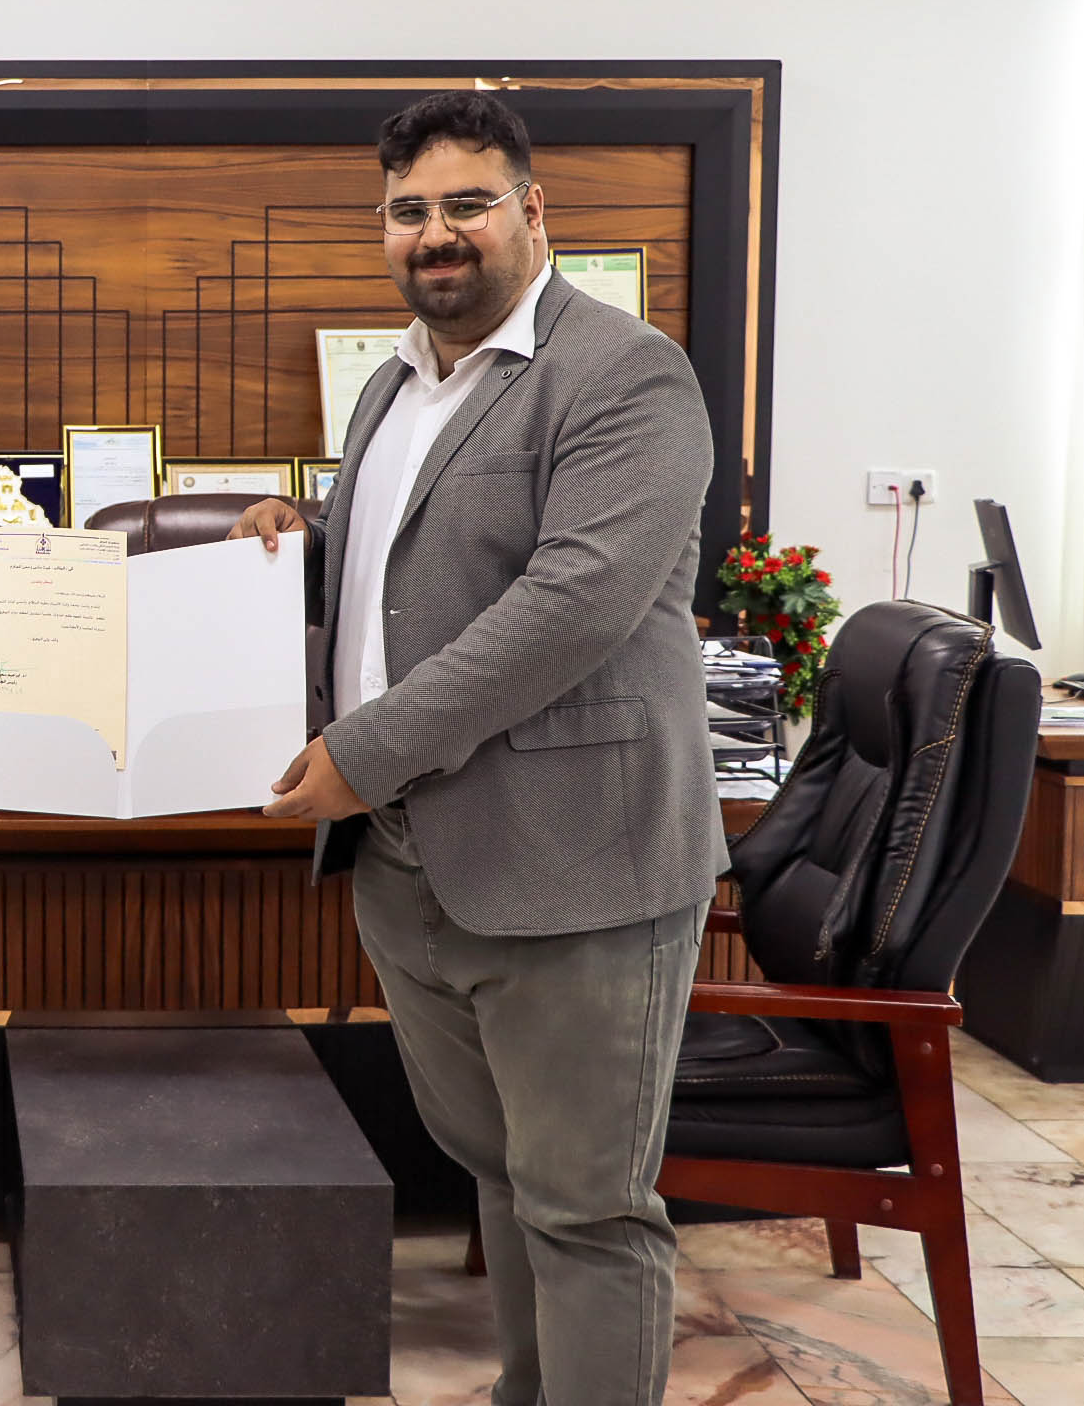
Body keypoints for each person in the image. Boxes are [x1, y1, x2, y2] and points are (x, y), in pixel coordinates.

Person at [231, 93, 725, 1406]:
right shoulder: (394, 380)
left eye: (467, 203)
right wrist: (305, 539)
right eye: (409, 211)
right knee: (504, 1178)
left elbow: (571, 604)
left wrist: (364, 751)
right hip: (412, 863)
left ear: (532, 209)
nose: (436, 233)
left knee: (588, 1208)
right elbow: (411, 567)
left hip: (576, 866)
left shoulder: (624, 372)